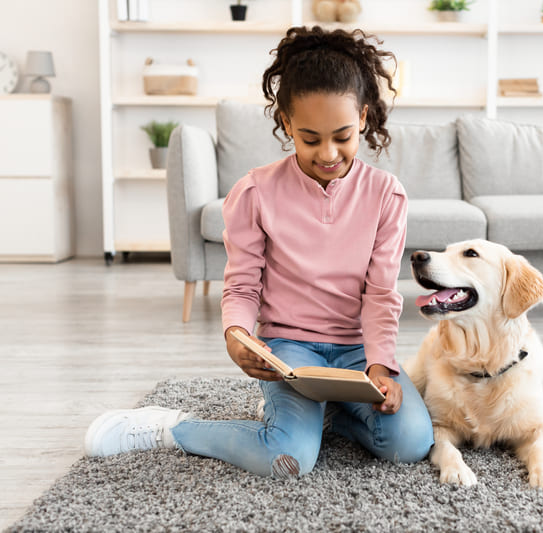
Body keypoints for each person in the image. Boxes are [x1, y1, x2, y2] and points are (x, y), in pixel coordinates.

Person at [84, 26, 434, 478]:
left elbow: (381, 293)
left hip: (357, 354)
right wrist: (237, 335)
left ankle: (333, 413)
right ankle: (172, 428)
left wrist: (381, 367)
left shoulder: (386, 195)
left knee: (411, 443)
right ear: (287, 124)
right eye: (310, 139)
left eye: (342, 136)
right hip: (291, 351)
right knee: (287, 460)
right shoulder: (254, 192)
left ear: (363, 118)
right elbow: (243, 284)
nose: (328, 153)